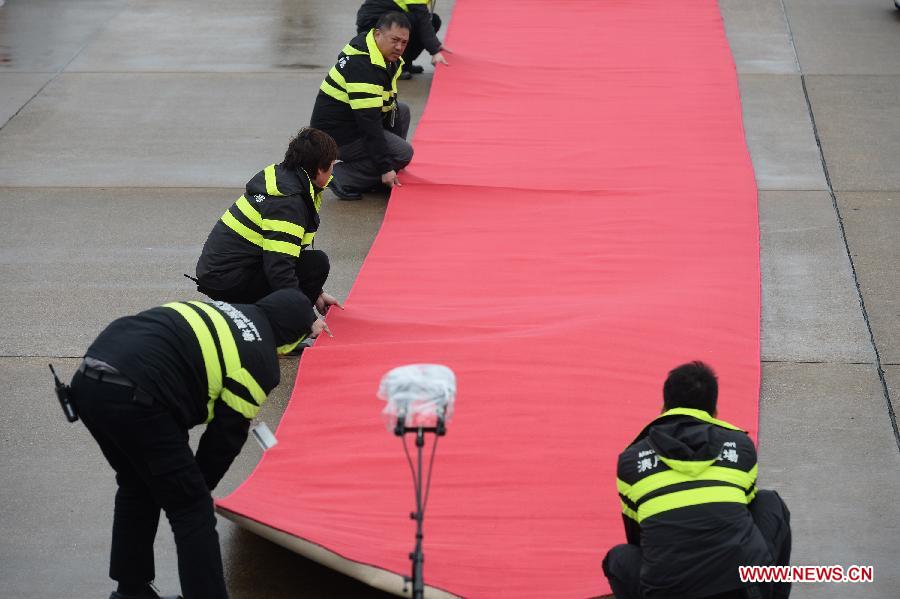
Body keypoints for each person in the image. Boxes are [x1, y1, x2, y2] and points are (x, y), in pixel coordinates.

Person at [70, 289, 327, 599]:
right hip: (139, 396)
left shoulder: (226, 310)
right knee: (192, 510)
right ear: (290, 338)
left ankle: (130, 591)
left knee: (137, 484)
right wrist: (197, 489)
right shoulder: (260, 360)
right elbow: (225, 436)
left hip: (88, 379)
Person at [603, 362, 791, 599]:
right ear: (715, 412)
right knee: (768, 502)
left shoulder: (630, 461)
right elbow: (746, 513)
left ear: (664, 407)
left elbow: (639, 539)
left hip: (667, 592)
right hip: (744, 590)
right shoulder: (741, 447)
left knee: (618, 559)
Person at [194, 127, 342, 320]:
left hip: (224, 273)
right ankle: (276, 329)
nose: (333, 171)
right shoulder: (288, 202)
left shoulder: (286, 179)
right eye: (331, 165)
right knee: (316, 264)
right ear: (318, 168)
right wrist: (306, 319)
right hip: (228, 280)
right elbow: (280, 269)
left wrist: (316, 294)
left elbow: (283, 253)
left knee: (309, 265)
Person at [310, 12, 414, 200]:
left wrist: (390, 164)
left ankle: (375, 175)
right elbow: (369, 123)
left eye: (404, 42)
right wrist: (386, 166)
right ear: (377, 35)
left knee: (402, 111)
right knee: (404, 153)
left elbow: (386, 107)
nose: (399, 47)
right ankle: (340, 176)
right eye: (394, 40)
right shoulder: (363, 66)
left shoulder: (380, 56)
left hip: (350, 125)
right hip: (334, 137)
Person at [355, 0, 450, 79]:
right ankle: (392, 67)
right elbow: (422, 19)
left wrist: (436, 44)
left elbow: (424, 18)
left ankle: (404, 64)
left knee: (433, 20)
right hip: (372, 24)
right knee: (411, 23)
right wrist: (435, 51)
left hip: (386, 17)